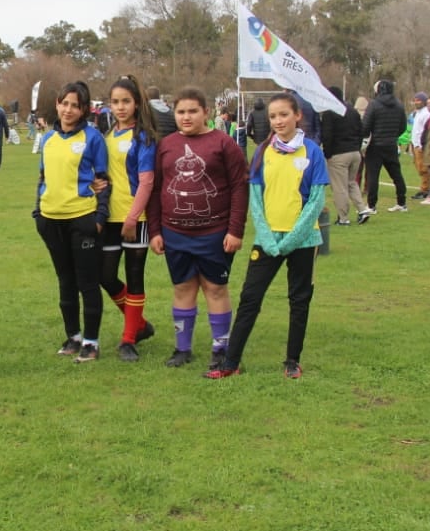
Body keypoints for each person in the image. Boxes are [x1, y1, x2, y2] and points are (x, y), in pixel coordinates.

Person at [207, 93, 329, 380]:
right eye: (273, 116)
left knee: (299, 300)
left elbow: (316, 201)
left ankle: (292, 361)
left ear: (297, 115)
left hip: (303, 242)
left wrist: (290, 240)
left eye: (283, 115)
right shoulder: (263, 152)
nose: (278, 121)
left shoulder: (312, 152)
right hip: (267, 242)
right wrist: (268, 237)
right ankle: (230, 362)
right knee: (250, 298)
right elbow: (256, 198)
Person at [148, 88, 248, 370]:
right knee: (182, 287)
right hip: (174, 233)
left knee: (215, 288)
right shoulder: (166, 145)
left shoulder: (224, 143)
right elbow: (156, 189)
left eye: (193, 111)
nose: (186, 117)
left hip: (215, 233)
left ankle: (221, 348)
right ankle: (183, 349)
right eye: (181, 112)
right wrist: (155, 230)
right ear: (174, 114)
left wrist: (235, 230)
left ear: (206, 112)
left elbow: (240, 188)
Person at [35, 81, 110, 362]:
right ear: (57, 103)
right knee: (64, 281)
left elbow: (104, 181)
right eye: (64, 103)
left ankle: (91, 342)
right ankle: (73, 337)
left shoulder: (93, 138)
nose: (68, 110)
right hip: (50, 220)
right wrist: (37, 213)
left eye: (75, 105)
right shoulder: (47, 139)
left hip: (82, 219)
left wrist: (99, 219)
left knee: (87, 282)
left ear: (84, 110)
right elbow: (43, 179)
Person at [98, 76, 160, 362]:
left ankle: (128, 339)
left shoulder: (143, 137)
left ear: (137, 104)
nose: (120, 107)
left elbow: (146, 182)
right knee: (105, 275)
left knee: (135, 277)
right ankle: (141, 324)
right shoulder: (107, 135)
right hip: (109, 218)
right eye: (115, 102)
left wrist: (133, 218)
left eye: (126, 101)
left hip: (136, 219)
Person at [319, 86, 372, 226]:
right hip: (355, 153)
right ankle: (362, 210)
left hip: (338, 154)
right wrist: (357, 147)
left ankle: (343, 218)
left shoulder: (330, 113)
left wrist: (327, 154)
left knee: (339, 187)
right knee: (351, 183)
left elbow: (327, 135)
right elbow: (362, 130)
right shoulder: (352, 111)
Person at [362, 79, 409, 214]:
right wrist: (393, 135)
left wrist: (367, 136)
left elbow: (365, 126)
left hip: (376, 145)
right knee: (396, 174)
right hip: (391, 144)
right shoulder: (399, 105)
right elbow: (403, 126)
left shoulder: (374, 105)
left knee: (373, 176)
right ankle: (402, 202)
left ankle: (371, 206)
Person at [409, 92, 430, 200]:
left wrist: (421, 144)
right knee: (419, 167)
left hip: (421, 145)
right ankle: (425, 188)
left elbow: (425, 130)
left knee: (424, 168)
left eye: (419, 100)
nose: (416, 102)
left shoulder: (426, 113)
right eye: (415, 100)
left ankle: (426, 189)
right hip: (415, 144)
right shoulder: (417, 113)